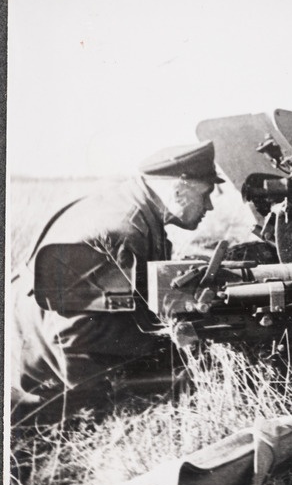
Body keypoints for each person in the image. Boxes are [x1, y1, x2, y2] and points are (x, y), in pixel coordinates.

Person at [9, 140, 225, 425]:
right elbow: (72, 332)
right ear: (180, 188)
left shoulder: (131, 204)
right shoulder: (123, 231)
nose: (209, 206)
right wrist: (101, 405)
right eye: (206, 194)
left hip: (27, 344)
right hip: (41, 382)